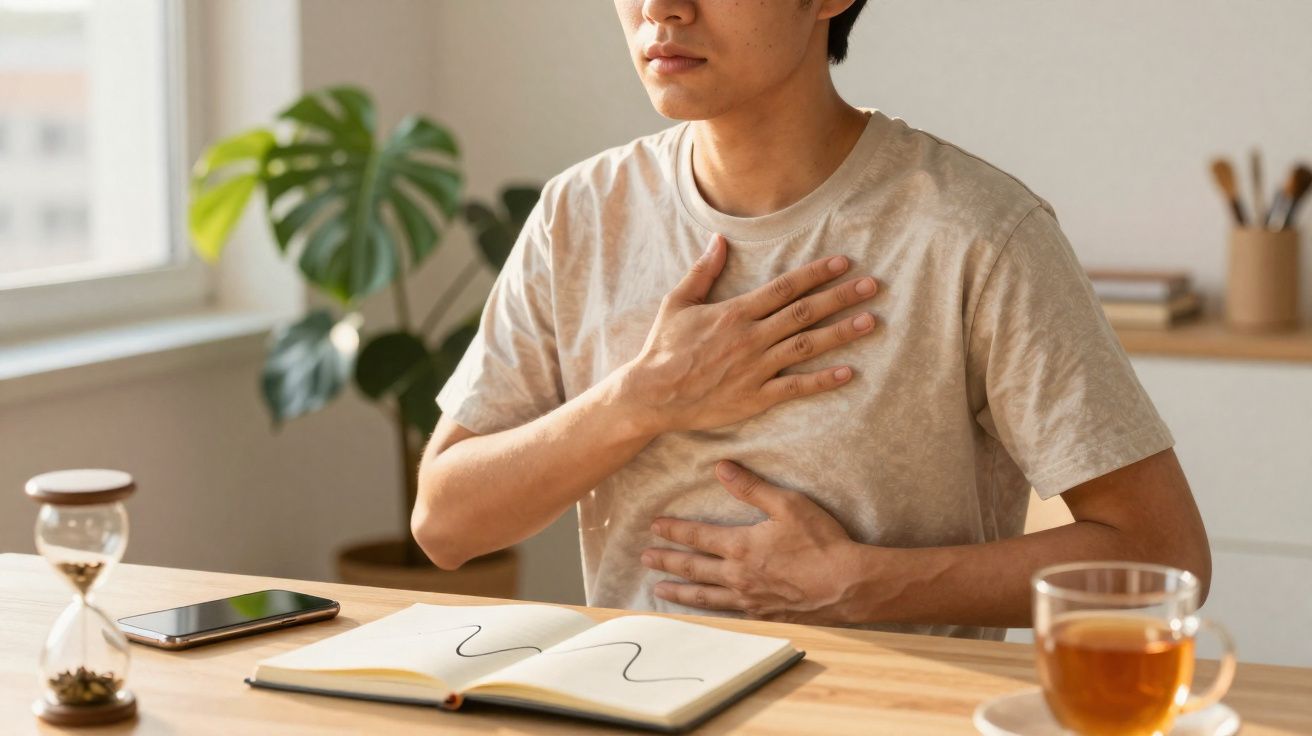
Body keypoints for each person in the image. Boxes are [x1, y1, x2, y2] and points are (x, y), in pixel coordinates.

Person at [412, 0, 1212, 639]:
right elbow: (445, 524)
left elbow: (1163, 555)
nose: (661, 8)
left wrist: (860, 584)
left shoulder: (977, 233)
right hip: (636, 705)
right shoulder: (580, 215)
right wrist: (642, 399)